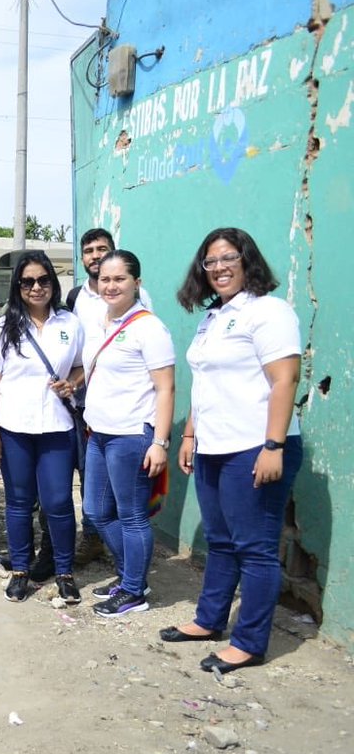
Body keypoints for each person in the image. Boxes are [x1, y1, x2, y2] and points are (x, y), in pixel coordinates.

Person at [161, 227, 303, 674]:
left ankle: (249, 643)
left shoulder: (269, 312)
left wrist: (273, 445)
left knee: (255, 548)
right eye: (211, 261)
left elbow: (286, 380)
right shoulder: (213, 318)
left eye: (228, 258)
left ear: (247, 261)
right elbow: (206, 384)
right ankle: (209, 621)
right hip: (214, 447)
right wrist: (190, 436)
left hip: (254, 447)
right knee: (220, 542)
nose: (219, 267)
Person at [0, 251, 85, 604]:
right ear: (18, 286)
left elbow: (83, 366)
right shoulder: (1, 328)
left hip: (56, 427)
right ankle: (21, 569)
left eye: (43, 280)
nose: (36, 287)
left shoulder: (70, 324)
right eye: (28, 281)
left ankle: (65, 572)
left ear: (53, 283)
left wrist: (72, 383)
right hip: (13, 428)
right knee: (20, 502)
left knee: (58, 501)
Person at [79, 251, 175, 618]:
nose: (111, 285)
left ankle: (134, 589)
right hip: (99, 434)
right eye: (105, 279)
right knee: (96, 511)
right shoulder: (101, 322)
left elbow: (166, 389)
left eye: (120, 279)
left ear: (137, 282)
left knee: (132, 515)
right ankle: (130, 576)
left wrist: (160, 442)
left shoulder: (149, 328)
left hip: (132, 435)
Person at [66, 228, 153, 566]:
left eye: (102, 248)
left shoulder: (139, 307)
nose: (94, 255)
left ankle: (130, 560)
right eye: (88, 250)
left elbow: (154, 368)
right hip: (83, 403)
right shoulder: (76, 298)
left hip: (126, 410)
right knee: (92, 484)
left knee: (125, 494)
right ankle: (96, 540)